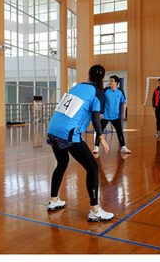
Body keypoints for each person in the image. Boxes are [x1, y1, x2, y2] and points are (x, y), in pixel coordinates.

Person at [46, 64, 113, 221]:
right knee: (92, 168)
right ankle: (95, 210)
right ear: (103, 79)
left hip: (53, 129)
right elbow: (96, 118)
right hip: (68, 133)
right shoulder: (98, 93)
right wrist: (101, 138)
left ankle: (54, 200)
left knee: (62, 163)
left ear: (89, 76)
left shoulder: (76, 87)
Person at [93, 75, 131, 155]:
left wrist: (124, 112)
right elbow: (100, 101)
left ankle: (123, 147)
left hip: (115, 116)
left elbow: (124, 102)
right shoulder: (105, 90)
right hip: (105, 115)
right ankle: (96, 146)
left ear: (116, 83)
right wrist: (100, 112)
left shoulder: (120, 92)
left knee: (120, 131)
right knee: (99, 131)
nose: (109, 82)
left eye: (111, 81)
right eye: (109, 80)